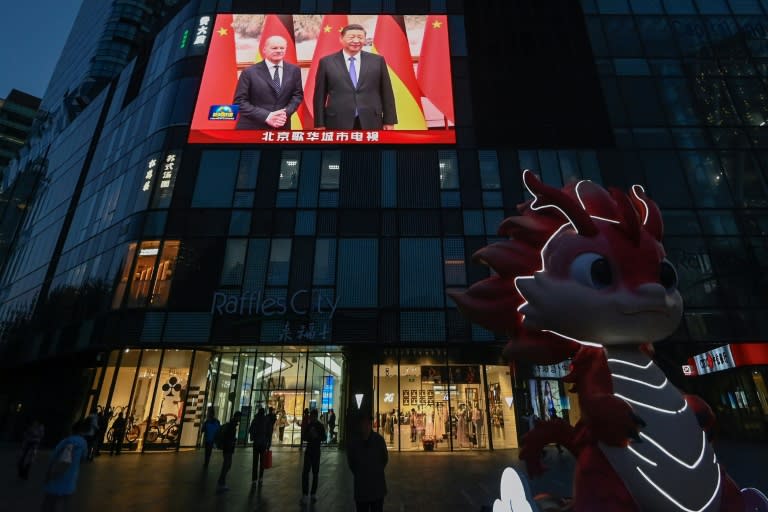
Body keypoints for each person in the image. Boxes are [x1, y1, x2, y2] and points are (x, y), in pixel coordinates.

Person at [313, 24, 397, 130]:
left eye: (360, 37)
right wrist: (319, 123)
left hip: (371, 120)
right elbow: (319, 96)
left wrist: (389, 121)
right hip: (337, 120)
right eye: (351, 37)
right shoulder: (327, 62)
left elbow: (387, 92)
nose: (356, 41)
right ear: (341, 39)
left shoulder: (377, 61)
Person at [233, 35, 304, 130]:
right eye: (274, 48)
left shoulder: (294, 70)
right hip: (253, 127)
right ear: (264, 50)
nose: (279, 50)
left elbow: (297, 95)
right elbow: (239, 102)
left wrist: (284, 114)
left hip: (282, 126)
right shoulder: (249, 72)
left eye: (282, 48)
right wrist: (267, 116)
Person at [42, 420, 89, 512]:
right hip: (70, 478)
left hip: (55, 476)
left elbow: (53, 457)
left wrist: (48, 474)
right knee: (65, 504)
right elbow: (83, 459)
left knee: (49, 504)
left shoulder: (65, 442)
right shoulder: (83, 443)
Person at [347, 414, 388, 512]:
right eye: (362, 424)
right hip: (361, 488)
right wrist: (359, 473)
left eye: (366, 424)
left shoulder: (379, 440)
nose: (364, 426)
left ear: (370, 425)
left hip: (377, 487)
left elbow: (384, 459)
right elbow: (351, 462)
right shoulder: (354, 442)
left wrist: (376, 471)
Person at [300, 409, 326, 505]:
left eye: (312, 415)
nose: (311, 417)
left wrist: (316, 436)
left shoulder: (318, 426)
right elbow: (304, 437)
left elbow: (324, 437)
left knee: (314, 473)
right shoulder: (310, 425)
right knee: (307, 472)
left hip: (314, 451)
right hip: (311, 451)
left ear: (315, 416)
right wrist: (309, 436)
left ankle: (311, 493)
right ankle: (306, 493)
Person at [217, 411, 241, 493]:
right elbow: (229, 436)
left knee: (228, 464)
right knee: (227, 464)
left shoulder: (232, 424)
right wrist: (232, 440)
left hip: (228, 447)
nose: (240, 419)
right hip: (228, 447)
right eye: (239, 417)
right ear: (237, 417)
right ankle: (221, 482)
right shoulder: (232, 425)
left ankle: (221, 481)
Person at [248, 407, 269, 485]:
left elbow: (250, 430)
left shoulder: (255, 420)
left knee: (255, 461)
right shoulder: (266, 420)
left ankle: (254, 479)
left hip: (256, 442)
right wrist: (268, 442)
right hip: (263, 443)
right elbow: (268, 432)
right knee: (262, 461)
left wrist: (253, 436)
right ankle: (261, 477)